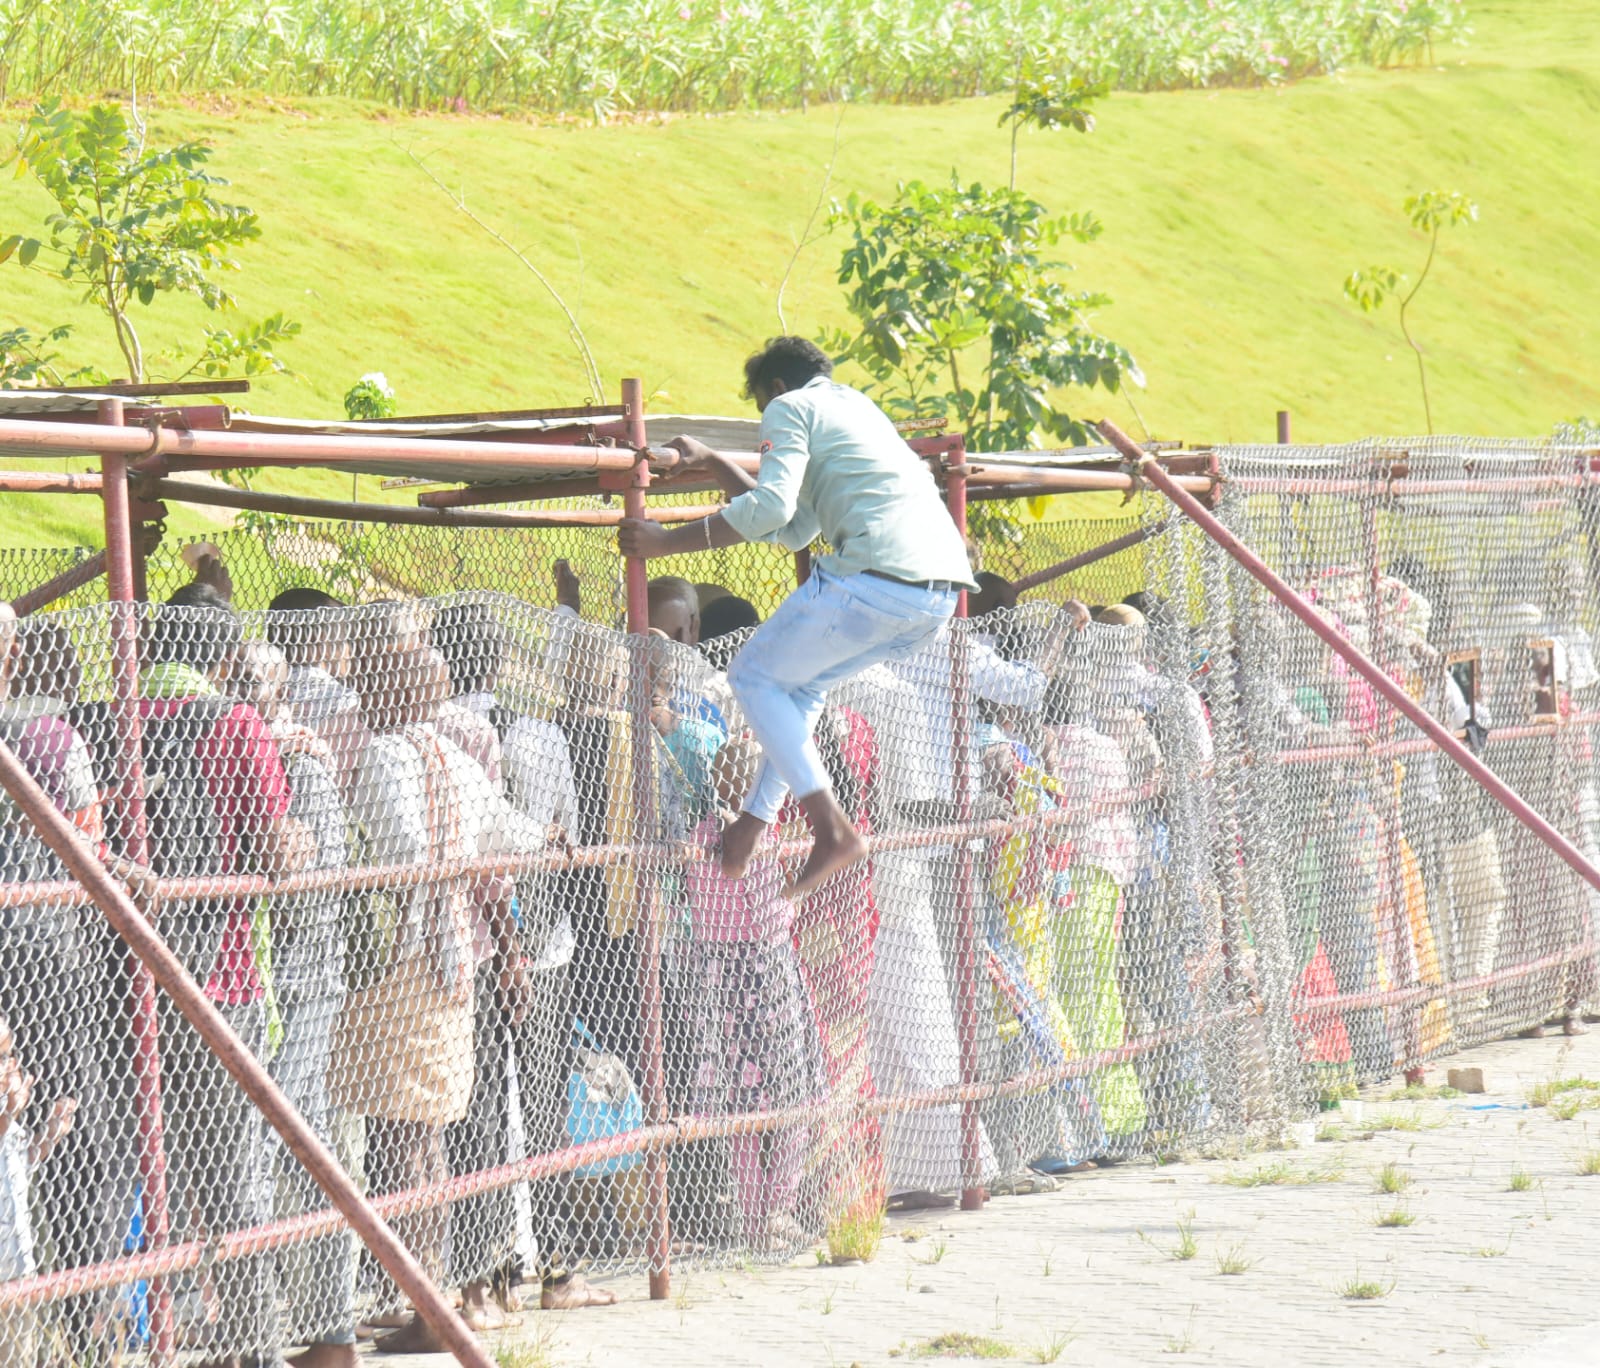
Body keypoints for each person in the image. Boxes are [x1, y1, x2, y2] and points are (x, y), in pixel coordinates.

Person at [618, 336, 975, 899]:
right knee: (797, 693)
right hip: (935, 598)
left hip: (875, 578)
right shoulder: (856, 411)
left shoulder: (789, 408)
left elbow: (769, 510)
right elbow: (792, 529)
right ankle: (754, 825)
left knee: (750, 676)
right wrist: (714, 462)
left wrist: (667, 544)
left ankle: (832, 831)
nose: (768, 430)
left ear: (775, 390)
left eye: (763, 413)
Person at [141, 577, 312, 1367]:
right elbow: (277, 851)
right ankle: (255, 1343)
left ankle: (166, 1334)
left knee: (154, 1167)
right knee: (234, 1171)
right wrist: (305, 839)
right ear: (220, 656)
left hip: (128, 976)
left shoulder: (117, 715)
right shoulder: (235, 722)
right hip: (223, 974)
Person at [234, 639, 359, 1367]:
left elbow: (307, 883)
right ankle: (285, 1330)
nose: (248, 692)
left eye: (260, 683)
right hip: (272, 987)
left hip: (301, 988)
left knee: (291, 1151)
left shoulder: (300, 763)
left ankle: (322, 1331)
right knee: (272, 1155)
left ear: (281, 692)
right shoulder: (250, 754)